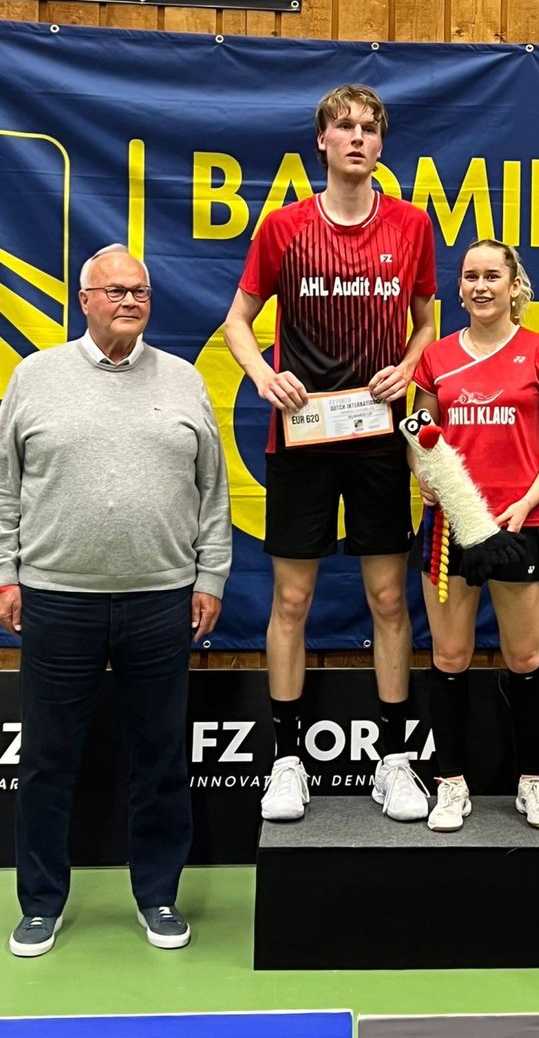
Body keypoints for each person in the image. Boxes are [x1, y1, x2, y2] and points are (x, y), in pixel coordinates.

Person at [0, 244, 231, 958]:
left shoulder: (185, 379)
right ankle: (40, 904)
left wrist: (210, 578)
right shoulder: (34, 378)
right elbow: (6, 486)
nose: (130, 301)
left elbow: (213, 491)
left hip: (161, 602)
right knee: (45, 759)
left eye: (141, 291)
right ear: (85, 299)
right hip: (56, 598)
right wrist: (6, 570)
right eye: (116, 290)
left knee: (160, 756)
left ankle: (157, 896)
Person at [224, 84, 436, 824]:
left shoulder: (411, 225)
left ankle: (395, 762)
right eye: (343, 126)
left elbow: (425, 323)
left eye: (369, 128)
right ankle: (286, 762)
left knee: (387, 598)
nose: (356, 138)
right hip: (303, 435)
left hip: (379, 437)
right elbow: (238, 322)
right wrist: (263, 372)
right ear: (321, 140)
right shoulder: (284, 227)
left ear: (382, 144)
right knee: (291, 599)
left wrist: (411, 366)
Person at [410, 240, 539, 832]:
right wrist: (425, 479)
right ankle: (450, 783)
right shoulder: (435, 358)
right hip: (453, 531)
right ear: (459, 288)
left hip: (520, 527)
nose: (481, 286)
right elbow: (421, 436)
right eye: (470, 277)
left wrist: (527, 501)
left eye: (492, 276)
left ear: (513, 285)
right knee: (449, 657)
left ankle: (533, 782)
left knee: (525, 657)